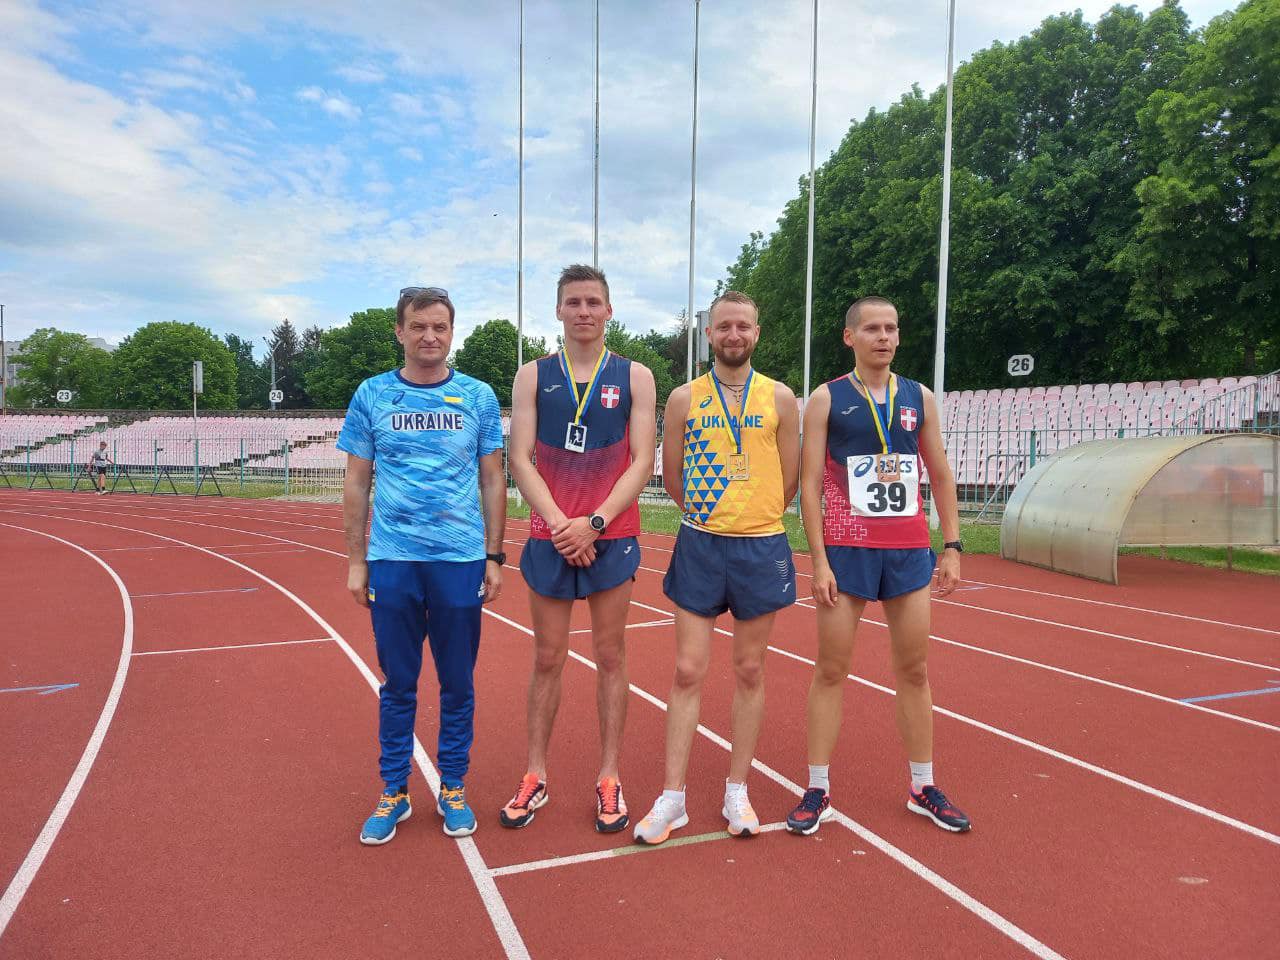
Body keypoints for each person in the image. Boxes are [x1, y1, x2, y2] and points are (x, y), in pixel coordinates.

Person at [785, 296, 971, 835]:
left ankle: (923, 785)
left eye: (891, 328)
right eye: (872, 328)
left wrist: (952, 545)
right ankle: (817, 787)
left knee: (914, 670)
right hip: (847, 550)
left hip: (908, 550)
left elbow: (940, 473)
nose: (883, 337)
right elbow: (810, 486)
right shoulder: (827, 398)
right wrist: (818, 561)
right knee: (831, 669)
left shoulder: (919, 397)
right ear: (851, 337)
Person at [338, 286, 507, 845]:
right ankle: (395, 789)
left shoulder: (478, 396)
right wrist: (356, 560)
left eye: (439, 326)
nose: (429, 336)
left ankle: (452, 784)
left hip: (459, 560)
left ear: (452, 332)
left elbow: (492, 480)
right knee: (399, 683)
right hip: (393, 559)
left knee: (457, 682)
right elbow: (356, 482)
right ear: (400, 331)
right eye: (418, 326)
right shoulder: (372, 394)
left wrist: (494, 556)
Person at [634, 291, 800, 845]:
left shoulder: (780, 397)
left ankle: (737, 790)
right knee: (687, 670)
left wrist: (753, 513)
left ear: (757, 332)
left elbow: (790, 475)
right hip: (701, 544)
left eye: (743, 326)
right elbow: (672, 475)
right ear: (709, 334)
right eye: (724, 326)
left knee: (750, 670)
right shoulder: (685, 398)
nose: (734, 335)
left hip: (761, 546)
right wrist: (710, 512)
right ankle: (673, 797)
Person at [502, 264, 656, 834]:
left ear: (609, 310)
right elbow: (519, 458)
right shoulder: (532, 375)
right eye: (574, 301)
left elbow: (643, 459)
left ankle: (609, 776)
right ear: (559, 310)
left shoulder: (636, 376)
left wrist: (593, 523)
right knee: (547, 658)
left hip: (610, 534)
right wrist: (560, 524)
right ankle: (535, 774)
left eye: (593, 301)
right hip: (551, 535)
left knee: (611, 657)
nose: (584, 310)